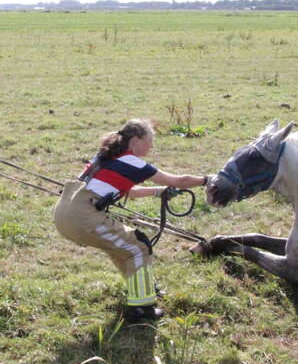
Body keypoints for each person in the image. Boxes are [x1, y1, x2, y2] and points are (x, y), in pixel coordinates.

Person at [53, 119, 209, 323]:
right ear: (136, 140)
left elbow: (131, 192)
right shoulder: (130, 161)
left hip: (64, 214)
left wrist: (159, 191)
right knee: (138, 247)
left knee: (122, 246)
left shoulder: (108, 156)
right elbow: (179, 180)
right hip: (83, 217)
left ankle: (142, 288)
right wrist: (207, 179)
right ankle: (141, 310)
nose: (151, 146)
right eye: (149, 140)